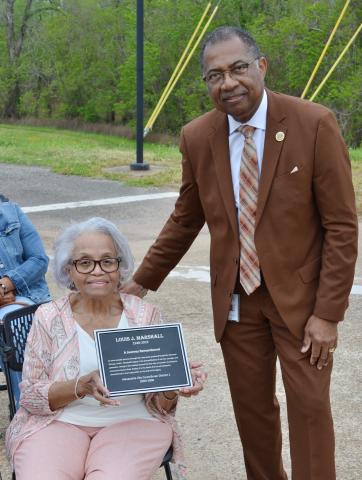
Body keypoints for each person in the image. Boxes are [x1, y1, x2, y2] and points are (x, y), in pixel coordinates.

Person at [122, 26, 358, 480]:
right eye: (215, 75)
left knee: (309, 410)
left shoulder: (313, 124)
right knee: (252, 413)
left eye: (237, 69)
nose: (228, 83)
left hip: (302, 301)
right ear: (207, 83)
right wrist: (141, 281)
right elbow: (186, 218)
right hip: (236, 301)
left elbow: (342, 227)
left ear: (261, 67)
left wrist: (328, 313)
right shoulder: (197, 137)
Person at [5, 217, 206, 480]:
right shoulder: (48, 317)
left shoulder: (145, 315)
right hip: (57, 423)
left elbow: (162, 407)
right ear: (69, 270)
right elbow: (30, 397)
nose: (97, 270)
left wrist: (173, 385)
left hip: (133, 422)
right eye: (85, 262)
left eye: (107, 261)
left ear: (120, 267)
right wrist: (80, 386)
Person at [0, 194, 50, 405]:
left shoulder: (11, 213)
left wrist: (5, 284)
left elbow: (39, 260)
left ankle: (27, 408)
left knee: (15, 323)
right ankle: (27, 408)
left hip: (23, 299)